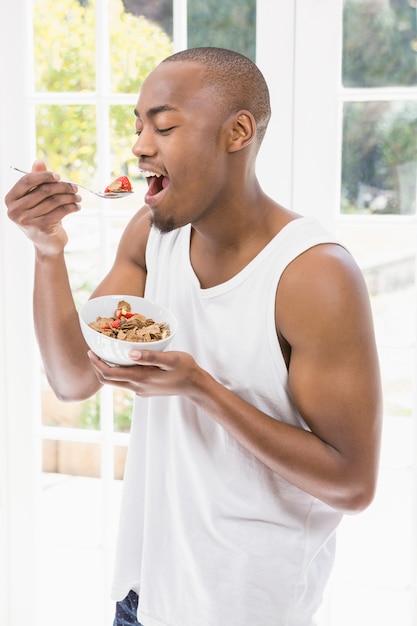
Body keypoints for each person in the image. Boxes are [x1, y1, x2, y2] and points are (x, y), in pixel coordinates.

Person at [5, 47, 382, 626]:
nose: (139, 146)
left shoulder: (314, 274)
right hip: (143, 593)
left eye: (164, 125)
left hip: (245, 608)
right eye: (137, 127)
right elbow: (73, 376)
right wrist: (48, 250)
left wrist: (201, 388)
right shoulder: (153, 236)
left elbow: (352, 485)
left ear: (237, 132)